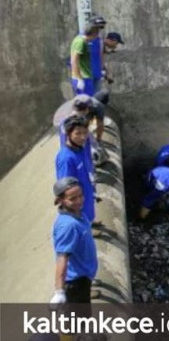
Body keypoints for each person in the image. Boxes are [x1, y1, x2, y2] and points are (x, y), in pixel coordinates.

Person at [51, 177, 98, 305]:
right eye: (72, 199)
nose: (79, 201)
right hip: (75, 283)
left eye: (80, 196)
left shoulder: (78, 213)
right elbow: (62, 258)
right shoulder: (68, 226)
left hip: (84, 277)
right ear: (61, 200)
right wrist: (59, 291)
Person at [56, 116, 96, 224]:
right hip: (78, 196)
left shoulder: (79, 149)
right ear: (68, 134)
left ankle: (90, 221)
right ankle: (88, 226)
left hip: (86, 191)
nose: (83, 137)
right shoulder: (66, 158)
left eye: (85, 132)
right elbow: (66, 188)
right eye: (78, 133)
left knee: (89, 209)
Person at [139, 150, 169, 219]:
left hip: (152, 174)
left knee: (150, 193)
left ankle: (143, 213)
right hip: (160, 184)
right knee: (151, 199)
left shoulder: (161, 167)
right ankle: (142, 217)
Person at [69, 23, 102, 96]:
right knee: (87, 104)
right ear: (94, 34)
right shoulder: (80, 42)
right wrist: (79, 79)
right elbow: (74, 61)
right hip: (83, 77)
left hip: (86, 77)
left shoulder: (82, 41)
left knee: (89, 102)